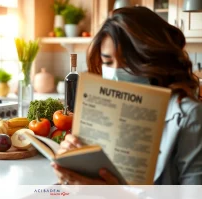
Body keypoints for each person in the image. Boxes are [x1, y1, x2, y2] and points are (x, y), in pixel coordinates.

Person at [52, 6, 202, 185]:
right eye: (107, 61)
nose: (115, 72)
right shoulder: (100, 107)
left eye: (127, 63)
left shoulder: (189, 115)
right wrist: (71, 168)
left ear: (151, 59)